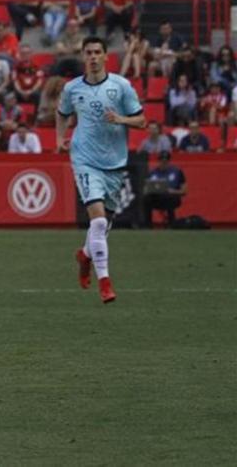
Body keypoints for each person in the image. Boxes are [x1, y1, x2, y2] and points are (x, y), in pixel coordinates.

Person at [56, 37, 146, 304]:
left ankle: (85, 255)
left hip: (115, 163)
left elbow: (141, 121)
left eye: (97, 52)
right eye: (88, 53)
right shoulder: (72, 88)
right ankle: (105, 282)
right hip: (84, 158)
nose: (93, 57)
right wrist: (60, 138)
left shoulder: (121, 86)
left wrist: (121, 119)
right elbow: (62, 113)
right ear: (84, 57)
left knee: (103, 225)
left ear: (107, 56)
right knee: (96, 221)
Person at [143, 151, 186, 227]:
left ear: (168, 161)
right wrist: (148, 190)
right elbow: (146, 188)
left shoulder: (177, 172)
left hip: (172, 196)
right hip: (157, 197)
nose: (163, 163)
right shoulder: (152, 173)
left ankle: (171, 224)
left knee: (169, 198)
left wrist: (173, 191)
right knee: (146, 199)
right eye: (162, 161)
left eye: (165, 161)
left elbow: (184, 191)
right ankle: (147, 224)